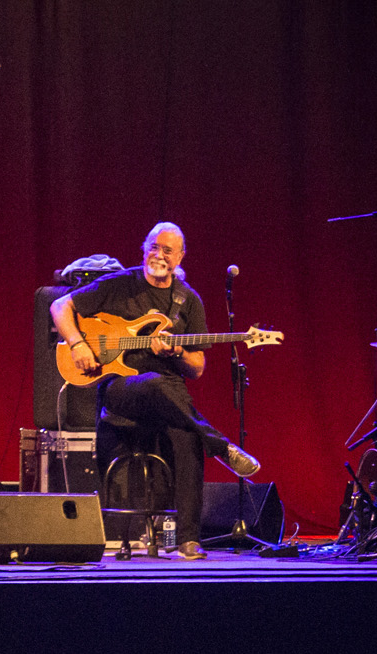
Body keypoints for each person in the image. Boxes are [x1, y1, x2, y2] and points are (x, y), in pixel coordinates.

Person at [49, 222, 259, 560]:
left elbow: (198, 369)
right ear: (144, 248)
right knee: (153, 383)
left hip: (170, 397)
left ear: (180, 257)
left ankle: (189, 541)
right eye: (153, 247)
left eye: (167, 250)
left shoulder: (188, 300)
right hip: (121, 390)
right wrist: (77, 344)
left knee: (185, 431)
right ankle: (220, 445)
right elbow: (59, 307)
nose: (158, 255)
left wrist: (177, 351)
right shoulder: (119, 284)